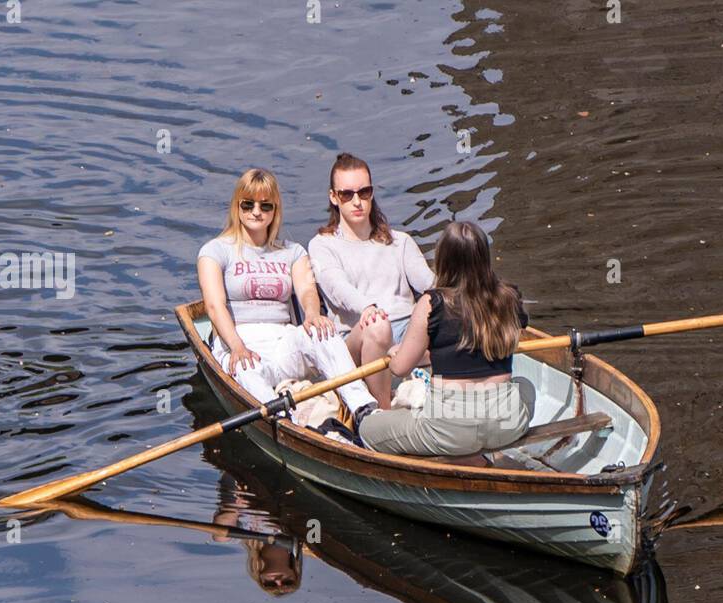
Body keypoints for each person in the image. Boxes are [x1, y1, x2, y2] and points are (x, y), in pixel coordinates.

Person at [196, 167, 378, 427]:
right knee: (245, 368)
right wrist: (236, 346)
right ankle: (286, 422)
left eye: (265, 205)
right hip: (240, 339)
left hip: (282, 339)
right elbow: (214, 307)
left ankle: (363, 407)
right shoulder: (215, 250)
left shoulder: (292, 251)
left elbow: (306, 290)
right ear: (237, 207)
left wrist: (313, 314)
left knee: (322, 331)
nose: (256, 212)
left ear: (275, 210)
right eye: (248, 205)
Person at [358, 221, 535, 457]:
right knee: (526, 386)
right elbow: (472, 344)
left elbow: (400, 369)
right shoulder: (509, 298)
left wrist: (394, 355)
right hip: (507, 425)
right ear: (484, 259)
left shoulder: (432, 303)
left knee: (367, 428)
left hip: (452, 431)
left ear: (443, 260)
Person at [308, 152, 435, 408]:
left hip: (409, 332)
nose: (357, 202)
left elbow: (431, 285)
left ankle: (467, 394)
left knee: (449, 307)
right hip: (359, 336)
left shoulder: (400, 241)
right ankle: (383, 414)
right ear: (334, 197)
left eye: (364, 193)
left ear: (372, 193)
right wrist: (367, 308)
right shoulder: (323, 245)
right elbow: (336, 287)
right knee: (378, 325)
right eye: (347, 194)